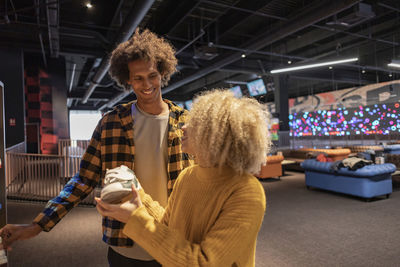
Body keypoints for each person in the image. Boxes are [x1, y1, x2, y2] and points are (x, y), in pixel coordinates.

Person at [0, 29, 191, 266]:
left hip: (174, 241)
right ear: (127, 79)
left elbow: (208, 180)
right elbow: (82, 180)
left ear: (162, 72)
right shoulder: (111, 123)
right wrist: (38, 225)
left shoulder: (187, 122)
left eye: (152, 75)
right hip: (125, 243)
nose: (147, 84)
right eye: (138, 78)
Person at [95, 90, 271, 266]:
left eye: (196, 123)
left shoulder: (247, 192)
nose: (184, 127)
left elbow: (203, 262)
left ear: (217, 137)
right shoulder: (188, 175)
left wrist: (136, 219)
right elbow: (169, 226)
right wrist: (138, 195)